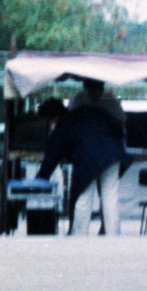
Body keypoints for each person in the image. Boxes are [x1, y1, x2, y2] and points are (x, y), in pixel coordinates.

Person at [36, 88, 126, 236]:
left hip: (88, 159)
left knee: (84, 197)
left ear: (52, 117)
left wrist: (40, 180)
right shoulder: (86, 111)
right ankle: (113, 235)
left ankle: (79, 235)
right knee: (110, 196)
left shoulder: (62, 127)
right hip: (112, 153)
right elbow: (118, 127)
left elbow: (51, 158)